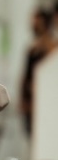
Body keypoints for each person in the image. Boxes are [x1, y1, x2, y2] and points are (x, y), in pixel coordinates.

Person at [20, 8, 57, 137]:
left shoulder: (51, 47)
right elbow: (25, 75)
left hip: (42, 103)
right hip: (30, 102)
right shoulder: (32, 48)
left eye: (37, 22)